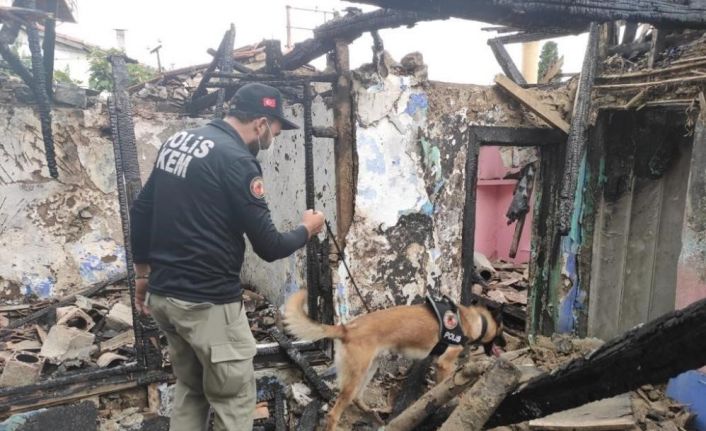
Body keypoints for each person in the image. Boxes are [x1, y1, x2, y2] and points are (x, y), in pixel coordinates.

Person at [129, 83, 325, 431]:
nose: (275, 136)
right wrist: (306, 229)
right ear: (261, 123)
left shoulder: (178, 141)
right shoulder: (238, 161)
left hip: (166, 297)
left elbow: (142, 209)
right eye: (277, 128)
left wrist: (143, 274)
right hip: (207, 305)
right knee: (233, 402)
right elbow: (270, 247)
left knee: (192, 389)